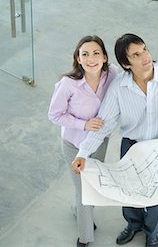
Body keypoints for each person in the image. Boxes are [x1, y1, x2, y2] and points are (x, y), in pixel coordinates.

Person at [71, 33, 158, 247]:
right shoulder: (118, 89)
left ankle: (152, 233)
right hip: (133, 147)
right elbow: (103, 125)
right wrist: (82, 154)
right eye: (136, 54)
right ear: (126, 63)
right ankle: (133, 225)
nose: (145, 56)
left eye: (144, 49)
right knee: (129, 192)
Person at [48, 35, 118, 247]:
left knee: (93, 185)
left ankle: (79, 211)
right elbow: (55, 114)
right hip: (74, 144)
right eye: (85, 54)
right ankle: (85, 236)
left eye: (96, 53)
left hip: (99, 143)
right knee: (83, 191)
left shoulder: (112, 74)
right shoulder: (68, 84)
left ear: (105, 57)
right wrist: (84, 124)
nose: (91, 59)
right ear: (78, 59)